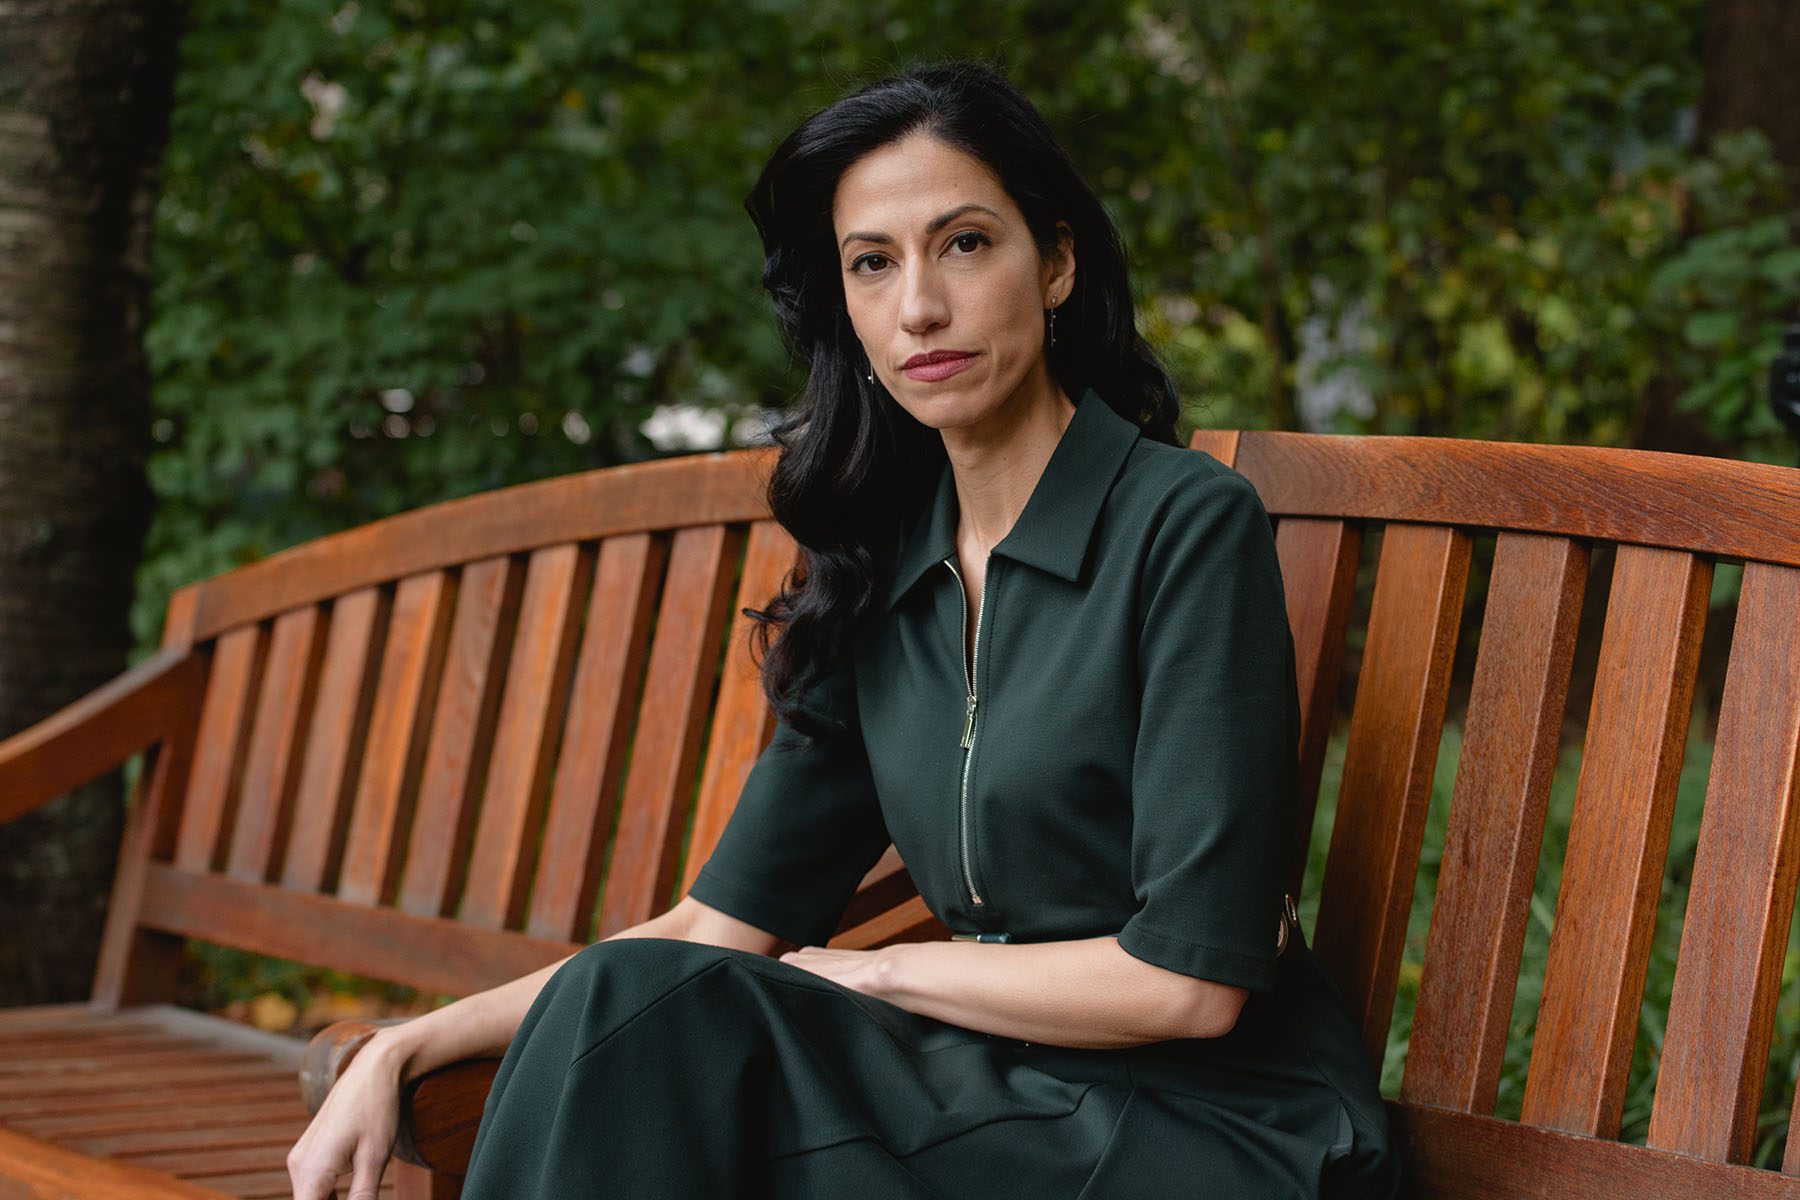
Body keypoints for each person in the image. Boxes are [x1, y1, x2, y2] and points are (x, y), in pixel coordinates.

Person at [287, 57, 1401, 1200]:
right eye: (874, 264)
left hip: (1211, 1132)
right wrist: (407, 1046)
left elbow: (1190, 982)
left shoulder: (1179, 525)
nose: (920, 305)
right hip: (996, 1101)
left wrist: (881, 977)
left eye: (965, 243)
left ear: (1057, 261)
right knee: (635, 1012)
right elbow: (714, 928)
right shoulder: (883, 565)